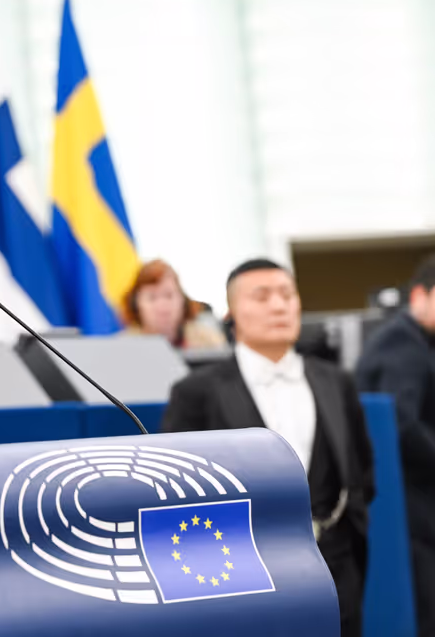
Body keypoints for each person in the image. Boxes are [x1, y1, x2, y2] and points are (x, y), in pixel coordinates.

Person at [162, 258, 374, 636]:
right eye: (261, 297)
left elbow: (362, 469)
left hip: (337, 565)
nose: (279, 306)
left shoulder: (335, 380)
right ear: (231, 313)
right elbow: (177, 496)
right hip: (243, 575)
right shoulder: (196, 392)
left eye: (287, 295)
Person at [356, 254, 435, 635]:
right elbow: (402, 425)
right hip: (409, 506)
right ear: (420, 295)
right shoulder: (404, 347)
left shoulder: (412, 341)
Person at [123, 259, 227, 349]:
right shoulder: (121, 348)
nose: (161, 306)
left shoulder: (210, 342)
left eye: (169, 296)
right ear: (135, 304)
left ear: (183, 300)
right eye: (152, 298)